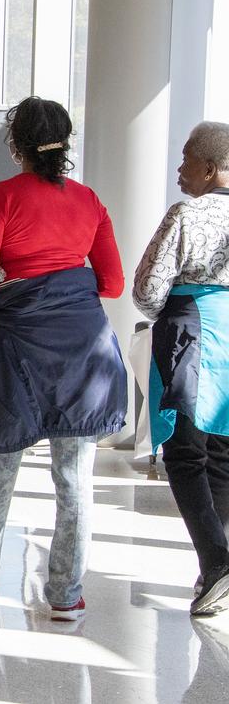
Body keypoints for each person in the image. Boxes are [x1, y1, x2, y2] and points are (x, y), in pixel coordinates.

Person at [0, 96, 126, 623]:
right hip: (86, 350)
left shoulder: (2, 196)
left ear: (16, 146)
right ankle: (66, 594)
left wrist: (16, 278)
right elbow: (112, 283)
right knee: (75, 476)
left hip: (19, 345)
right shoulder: (90, 201)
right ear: (66, 144)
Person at [133, 121, 229, 617]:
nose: (178, 167)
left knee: (185, 453)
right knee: (223, 452)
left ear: (210, 168)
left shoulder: (187, 215)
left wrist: (165, 312)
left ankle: (217, 561)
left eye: (187, 158)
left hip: (194, 333)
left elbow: (148, 289)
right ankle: (214, 564)